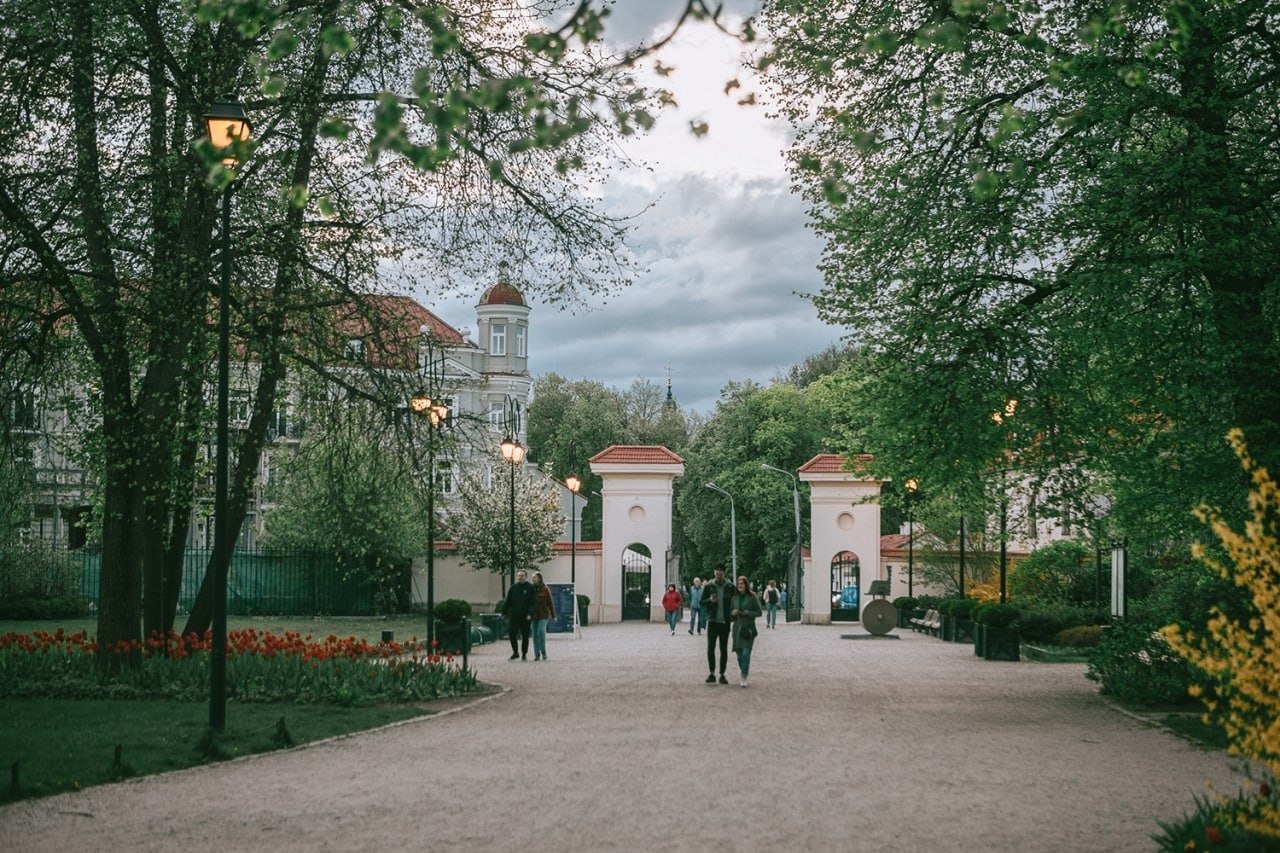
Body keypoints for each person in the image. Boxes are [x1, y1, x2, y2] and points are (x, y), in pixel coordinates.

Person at [702, 565, 734, 684]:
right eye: (716, 574)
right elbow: (702, 602)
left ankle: (722, 674)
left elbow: (735, 601)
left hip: (725, 622)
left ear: (724, 573)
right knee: (710, 648)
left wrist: (733, 615)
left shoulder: (730, 587)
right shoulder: (709, 587)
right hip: (713, 621)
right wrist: (709, 601)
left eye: (720, 573)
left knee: (723, 648)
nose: (718, 575)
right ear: (714, 573)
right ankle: (711, 673)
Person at [730, 576, 763, 688]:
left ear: (746, 585)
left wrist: (747, 613)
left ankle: (744, 676)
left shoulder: (752, 596)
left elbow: (759, 612)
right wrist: (733, 613)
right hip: (737, 628)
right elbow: (730, 614)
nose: (740, 585)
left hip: (748, 628)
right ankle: (744, 670)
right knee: (739, 655)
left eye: (742, 583)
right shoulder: (734, 598)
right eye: (738, 583)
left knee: (746, 653)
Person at [501, 570, 536, 660]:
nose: (520, 577)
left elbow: (532, 603)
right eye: (519, 576)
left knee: (525, 636)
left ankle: (524, 653)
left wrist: (530, 613)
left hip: (525, 616)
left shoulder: (530, 588)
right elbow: (508, 601)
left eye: (522, 576)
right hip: (514, 615)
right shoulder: (513, 588)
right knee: (512, 634)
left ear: (526, 577)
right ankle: (515, 652)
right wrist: (504, 612)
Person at [530, 571, 556, 660]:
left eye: (534, 577)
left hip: (543, 614)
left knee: (541, 631)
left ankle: (543, 651)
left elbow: (550, 603)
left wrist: (553, 615)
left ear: (539, 579)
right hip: (533, 615)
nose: (532, 579)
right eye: (532, 577)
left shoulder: (545, 589)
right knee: (534, 635)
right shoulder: (531, 589)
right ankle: (537, 654)